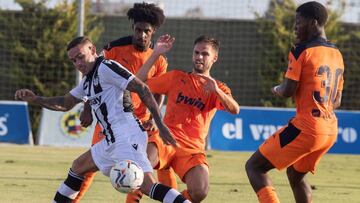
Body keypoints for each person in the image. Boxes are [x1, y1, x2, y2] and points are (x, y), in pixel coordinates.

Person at [14, 36, 191, 203]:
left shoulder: (107, 67)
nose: (78, 63)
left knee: (148, 186)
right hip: (111, 139)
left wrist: (160, 124)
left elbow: (142, 88)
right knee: (78, 167)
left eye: (81, 56)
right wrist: (36, 99)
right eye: (74, 60)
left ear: (92, 49)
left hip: (127, 136)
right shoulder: (87, 81)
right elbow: (66, 103)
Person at [76, 2, 178, 203]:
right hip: (111, 119)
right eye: (138, 29)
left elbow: (158, 92)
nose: (141, 35)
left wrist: (152, 119)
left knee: (159, 164)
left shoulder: (160, 60)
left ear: (153, 31)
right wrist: (87, 105)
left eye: (146, 31)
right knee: (88, 166)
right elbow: (91, 76)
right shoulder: (114, 49)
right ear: (133, 28)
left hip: (140, 121)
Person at [245, 2, 344, 203]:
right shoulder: (337, 53)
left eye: (298, 22)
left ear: (314, 23)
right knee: (296, 175)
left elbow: (287, 90)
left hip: (307, 128)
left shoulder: (301, 50)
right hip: (330, 129)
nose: (294, 27)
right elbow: (337, 100)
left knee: (254, 167)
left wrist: (276, 89)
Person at [135, 34, 240, 203]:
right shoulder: (176, 77)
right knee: (139, 169)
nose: (199, 57)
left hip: (192, 150)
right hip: (165, 139)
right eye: (196, 52)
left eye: (205, 54)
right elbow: (138, 81)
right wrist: (155, 54)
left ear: (215, 58)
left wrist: (217, 92)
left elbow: (235, 109)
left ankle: (176, 200)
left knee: (200, 191)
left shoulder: (218, 87)